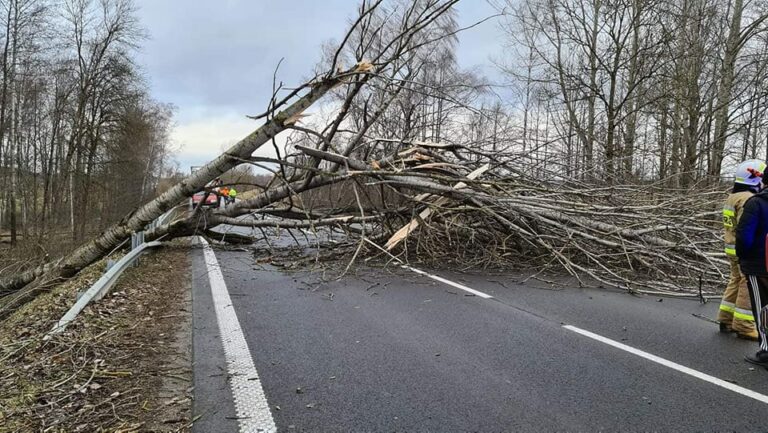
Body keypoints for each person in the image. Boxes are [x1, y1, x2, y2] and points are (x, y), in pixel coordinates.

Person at [718, 159, 764, 340]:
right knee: (747, 284)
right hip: (741, 248)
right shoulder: (747, 199)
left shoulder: (733, 197)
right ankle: (744, 325)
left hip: (730, 246)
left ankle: (726, 318)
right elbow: (747, 228)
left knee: (735, 280)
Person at [735, 165, 768, 368]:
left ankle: (766, 351)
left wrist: (743, 258)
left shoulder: (756, 203)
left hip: (759, 265)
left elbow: (744, 236)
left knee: (762, 307)